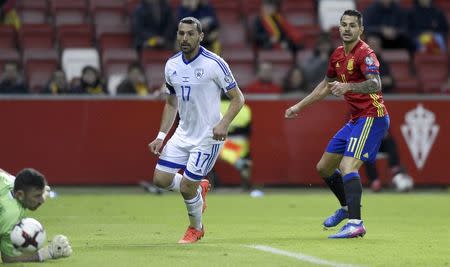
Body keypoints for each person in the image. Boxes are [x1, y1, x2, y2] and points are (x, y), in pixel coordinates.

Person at [285, 10, 389, 238]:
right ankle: (345, 207)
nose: (347, 28)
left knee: (347, 167)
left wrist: (349, 87)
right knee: (324, 167)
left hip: (372, 116)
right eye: (344, 24)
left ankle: (356, 223)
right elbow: (324, 86)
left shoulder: (366, 54)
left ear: (361, 30)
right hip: (355, 119)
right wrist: (298, 107)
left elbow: (376, 84)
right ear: (339, 27)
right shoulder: (338, 55)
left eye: (353, 25)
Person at [148, 17, 245, 244]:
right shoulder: (171, 65)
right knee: (160, 180)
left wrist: (224, 123)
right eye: (181, 33)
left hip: (209, 136)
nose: (184, 38)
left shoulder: (215, 63)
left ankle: (196, 228)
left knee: (185, 188)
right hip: (183, 133)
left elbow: (238, 98)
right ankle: (198, 190)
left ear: (201, 37)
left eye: (190, 34)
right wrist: (161, 136)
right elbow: (171, 103)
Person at [0, 168, 72, 263]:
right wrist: (46, 253)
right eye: (37, 196)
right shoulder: (10, 217)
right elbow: (8, 259)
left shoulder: (9, 180)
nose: (42, 200)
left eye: (41, 194)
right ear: (20, 195)